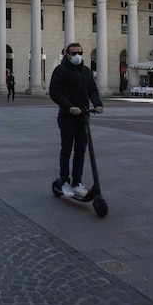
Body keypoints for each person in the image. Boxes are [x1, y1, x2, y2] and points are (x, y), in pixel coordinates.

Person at [48, 43, 104, 198]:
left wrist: (98, 104)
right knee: (67, 149)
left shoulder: (86, 71)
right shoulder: (60, 70)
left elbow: (92, 89)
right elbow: (55, 92)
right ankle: (65, 181)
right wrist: (69, 106)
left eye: (80, 52)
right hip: (67, 116)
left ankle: (77, 182)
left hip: (83, 115)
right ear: (67, 55)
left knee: (81, 150)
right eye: (74, 53)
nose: (77, 55)